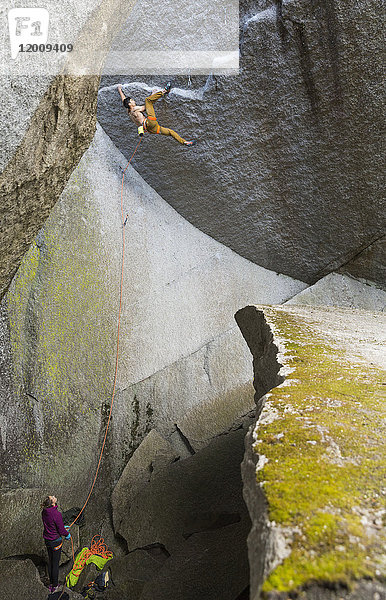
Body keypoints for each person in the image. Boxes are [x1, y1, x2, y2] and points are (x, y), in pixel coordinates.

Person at [117, 83, 196, 146]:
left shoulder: (129, 112)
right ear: (130, 104)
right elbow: (147, 106)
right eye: (132, 100)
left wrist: (119, 90)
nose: (134, 101)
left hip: (150, 130)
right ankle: (165, 91)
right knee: (148, 100)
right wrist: (153, 94)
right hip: (150, 122)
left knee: (170, 132)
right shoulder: (135, 109)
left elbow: (124, 101)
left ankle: (185, 142)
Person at [41, 495, 71, 594]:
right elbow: (61, 530)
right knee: (55, 564)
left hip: (48, 540)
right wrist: (67, 534)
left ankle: (50, 584)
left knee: (50, 561)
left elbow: (51, 525)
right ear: (52, 502)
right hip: (55, 541)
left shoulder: (44, 512)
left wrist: (62, 526)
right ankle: (54, 585)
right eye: (52, 497)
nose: (54, 496)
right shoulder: (56, 514)